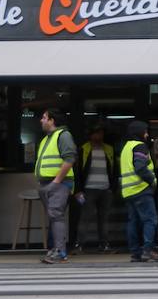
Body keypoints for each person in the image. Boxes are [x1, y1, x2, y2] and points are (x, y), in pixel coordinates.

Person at [36, 108, 77, 265]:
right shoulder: (48, 138)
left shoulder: (63, 135)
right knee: (54, 217)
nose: (41, 120)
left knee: (56, 216)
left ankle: (60, 252)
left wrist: (56, 182)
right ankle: (57, 249)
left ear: (52, 120)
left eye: (44, 117)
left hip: (58, 183)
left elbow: (69, 159)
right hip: (50, 183)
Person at [119, 120, 158, 262]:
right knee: (150, 220)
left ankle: (135, 253)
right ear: (140, 132)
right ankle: (147, 251)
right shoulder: (140, 146)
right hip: (141, 189)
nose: (147, 134)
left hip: (128, 191)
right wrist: (152, 181)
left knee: (133, 222)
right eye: (145, 131)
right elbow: (140, 167)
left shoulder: (126, 147)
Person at [73, 126, 117, 254]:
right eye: (97, 133)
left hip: (105, 189)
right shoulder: (84, 149)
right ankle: (79, 244)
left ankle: (104, 244)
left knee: (104, 218)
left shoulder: (109, 149)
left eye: (102, 133)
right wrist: (78, 190)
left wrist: (112, 188)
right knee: (85, 218)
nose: (100, 136)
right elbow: (77, 171)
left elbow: (115, 169)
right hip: (88, 189)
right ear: (91, 135)